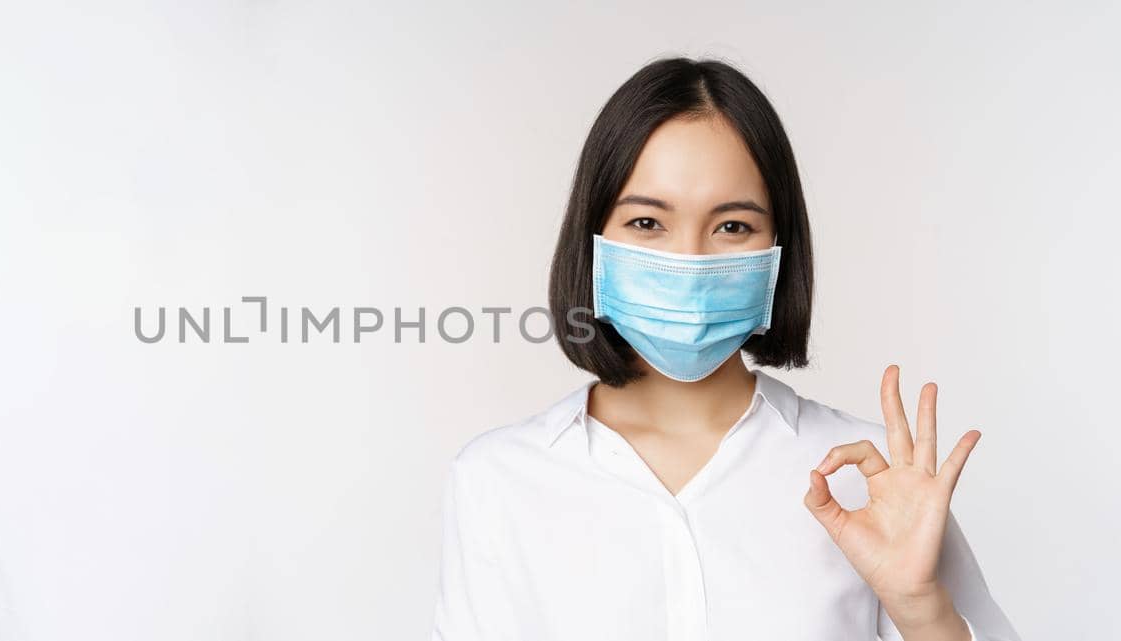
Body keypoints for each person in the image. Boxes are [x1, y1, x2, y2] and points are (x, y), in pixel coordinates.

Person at [430, 58, 1019, 641]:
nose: (689, 260)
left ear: (779, 249)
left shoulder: (872, 481)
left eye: (732, 226)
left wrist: (921, 611)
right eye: (646, 223)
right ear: (594, 239)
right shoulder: (498, 480)